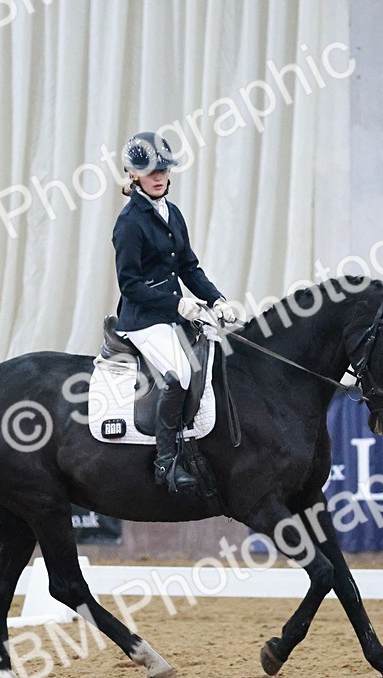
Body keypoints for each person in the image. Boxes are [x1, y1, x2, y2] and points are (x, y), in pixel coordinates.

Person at [112, 131, 238, 491]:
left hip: (173, 316)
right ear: (133, 175)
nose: (159, 177)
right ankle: (165, 463)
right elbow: (130, 284)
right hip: (142, 320)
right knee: (181, 375)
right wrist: (177, 303)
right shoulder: (129, 223)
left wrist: (217, 300)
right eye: (150, 171)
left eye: (163, 170)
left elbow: (189, 267)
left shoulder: (172, 213)